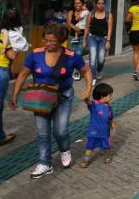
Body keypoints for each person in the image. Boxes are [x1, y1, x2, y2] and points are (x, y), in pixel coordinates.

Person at [10, 23, 93, 179]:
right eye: (46, 40)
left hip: (63, 96)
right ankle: (45, 163)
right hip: (41, 97)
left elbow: (86, 71)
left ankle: (64, 149)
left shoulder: (70, 56)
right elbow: (23, 74)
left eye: (52, 41)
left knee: (60, 131)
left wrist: (88, 90)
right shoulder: (36, 54)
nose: (47, 44)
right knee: (43, 133)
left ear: (61, 41)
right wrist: (15, 93)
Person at [0, 8, 23, 147]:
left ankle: (0, 136)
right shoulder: (9, 33)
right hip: (0, 71)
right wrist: (17, 48)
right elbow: (11, 55)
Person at [79, 83, 115, 168]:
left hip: (104, 132)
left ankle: (107, 156)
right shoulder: (95, 105)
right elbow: (89, 103)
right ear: (102, 96)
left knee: (106, 147)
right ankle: (86, 161)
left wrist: (111, 123)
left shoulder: (108, 106)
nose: (111, 97)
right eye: (110, 95)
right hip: (93, 132)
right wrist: (86, 99)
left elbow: (110, 117)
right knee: (89, 148)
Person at [83, 0, 113, 86]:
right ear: (96, 4)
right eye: (99, 3)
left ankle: (99, 71)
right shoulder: (91, 14)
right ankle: (93, 77)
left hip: (103, 39)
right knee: (92, 59)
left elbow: (110, 29)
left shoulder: (108, 15)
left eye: (103, 3)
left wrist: (108, 41)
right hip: (92, 38)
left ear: (105, 4)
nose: (101, 5)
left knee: (101, 60)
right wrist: (84, 40)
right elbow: (87, 28)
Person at [67, 0, 89, 81]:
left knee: (79, 54)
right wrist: (75, 28)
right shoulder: (71, 12)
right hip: (72, 37)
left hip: (82, 37)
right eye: (75, 3)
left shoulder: (86, 13)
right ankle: (75, 71)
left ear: (82, 4)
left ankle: (77, 71)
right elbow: (68, 22)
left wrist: (84, 40)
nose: (77, 5)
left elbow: (87, 26)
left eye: (79, 3)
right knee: (72, 55)